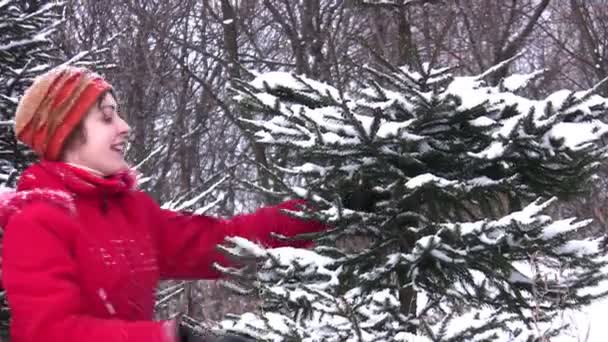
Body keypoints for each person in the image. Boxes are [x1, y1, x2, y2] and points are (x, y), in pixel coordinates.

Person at [0, 66, 325, 342]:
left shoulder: (133, 213)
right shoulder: (37, 222)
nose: (124, 127)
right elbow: (49, 332)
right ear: (65, 133)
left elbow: (224, 242)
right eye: (107, 117)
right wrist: (170, 336)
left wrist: (322, 209)